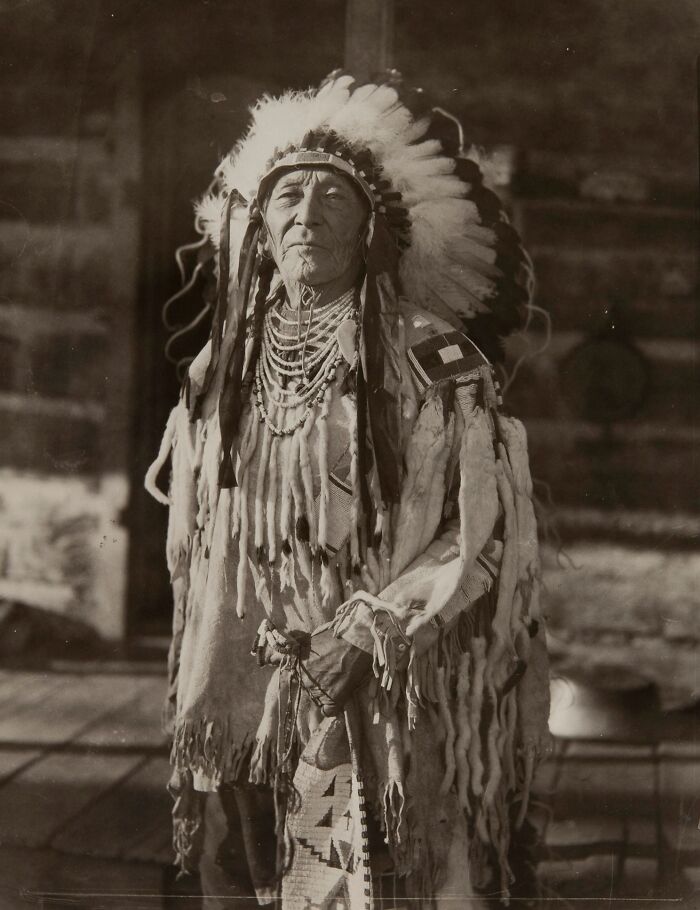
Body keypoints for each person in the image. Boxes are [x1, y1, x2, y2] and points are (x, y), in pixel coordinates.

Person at [146, 71, 551, 909]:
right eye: (286, 196)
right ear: (257, 230)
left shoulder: (429, 356)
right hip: (243, 688)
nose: (306, 213)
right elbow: (200, 545)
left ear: (375, 229)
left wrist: (371, 634)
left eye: (333, 196)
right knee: (245, 877)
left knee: (378, 877)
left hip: (380, 678)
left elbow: (481, 533)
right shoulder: (220, 367)